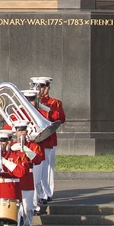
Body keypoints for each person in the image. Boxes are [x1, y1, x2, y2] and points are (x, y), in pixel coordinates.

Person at [30, 76, 65, 205]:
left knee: (48, 168)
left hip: (48, 139)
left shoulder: (54, 103)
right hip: (34, 141)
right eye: (38, 86)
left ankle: (47, 192)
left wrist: (47, 109)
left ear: (48, 88)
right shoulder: (29, 102)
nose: (41, 89)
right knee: (37, 170)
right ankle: (39, 194)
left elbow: (60, 118)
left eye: (43, 87)